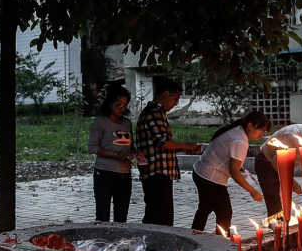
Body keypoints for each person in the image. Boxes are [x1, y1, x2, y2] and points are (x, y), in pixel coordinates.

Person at [134, 77, 202, 226]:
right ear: (165, 94)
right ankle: (155, 245)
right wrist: (187, 146)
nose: (176, 102)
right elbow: (164, 143)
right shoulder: (154, 112)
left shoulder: (157, 112)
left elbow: (161, 144)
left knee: (158, 213)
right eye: (175, 98)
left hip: (157, 172)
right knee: (160, 216)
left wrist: (182, 148)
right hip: (156, 172)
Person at [191, 111, 270, 233]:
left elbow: (231, 161)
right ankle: (220, 241)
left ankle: (195, 235)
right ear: (250, 125)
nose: (262, 134)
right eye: (261, 130)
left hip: (201, 172)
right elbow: (234, 172)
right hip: (211, 178)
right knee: (224, 213)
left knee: (205, 208)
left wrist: (241, 169)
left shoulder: (237, 130)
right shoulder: (240, 140)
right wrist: (253, 191)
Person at [88, 85, 134, 222]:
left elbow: (130, 147)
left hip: (125, 175)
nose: (121, 108)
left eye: (124, 105)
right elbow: (93, 148)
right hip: (104, 173)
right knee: (103, 215)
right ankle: (102, 241)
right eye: (118, 104)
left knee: (121, 215)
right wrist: (115, 155)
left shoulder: (127, 123)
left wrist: (136, 154)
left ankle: (118, 242)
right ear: (109, 104)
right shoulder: (100, 123)